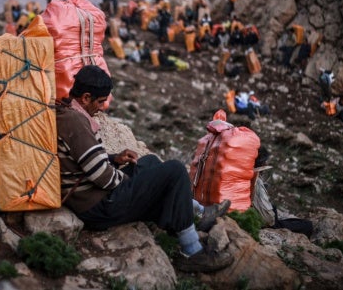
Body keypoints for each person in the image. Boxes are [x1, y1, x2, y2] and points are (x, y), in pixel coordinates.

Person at [56, 65, 233, 272]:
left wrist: (114, 158)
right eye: (100, 101)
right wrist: (133, 183)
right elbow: (102, 177)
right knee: (175, 169)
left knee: (149, 162)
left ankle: (196, 212)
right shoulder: (75, 122)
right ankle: (191, 251)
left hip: (94, 194)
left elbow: (84, 161)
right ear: (86, 98)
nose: (102, 107)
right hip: (97, 207)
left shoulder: (69, 112)